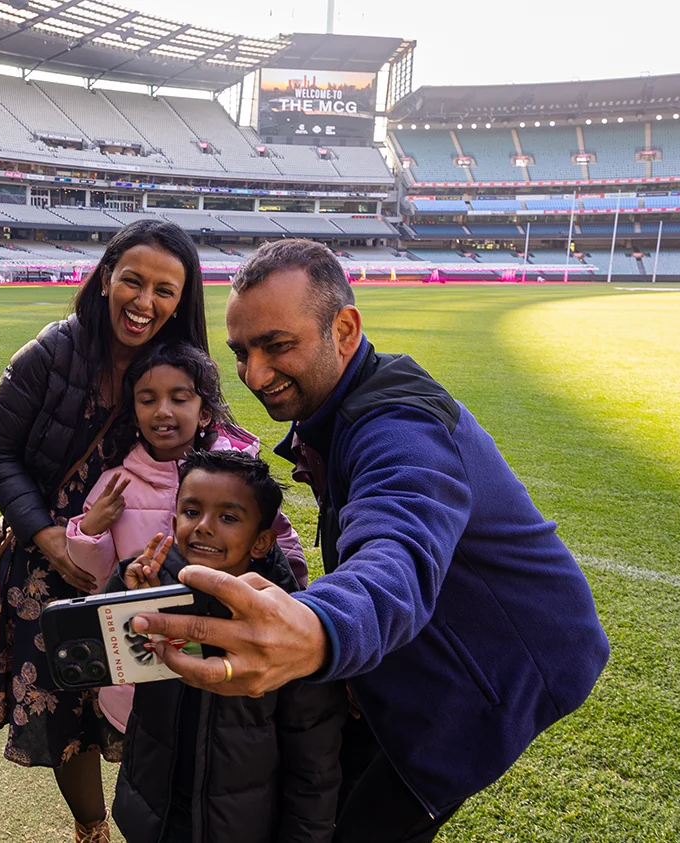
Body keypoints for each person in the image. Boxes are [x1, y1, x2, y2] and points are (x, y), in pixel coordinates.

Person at [133, 238, 610, 842]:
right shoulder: (338, 404)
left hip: (493, 671)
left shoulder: (398, 427)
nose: (254, 374)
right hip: (421, 645)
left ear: (346, 329)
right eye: (242, 352)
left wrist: (319, 628)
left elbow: (397, 547)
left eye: (277, 346)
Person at [0, 218, 208, 843]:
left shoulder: (178, 363)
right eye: (132, 281)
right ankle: (91, 829)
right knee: (65, 699)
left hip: (142, 560)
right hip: (48, 559)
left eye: (165, 290)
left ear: (182, 301)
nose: (144, 301)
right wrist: (46, 537)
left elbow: (210, 445)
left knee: (146, 691)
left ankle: (145, 818)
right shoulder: (50, 352)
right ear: (106, 278)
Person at [63, 342, 306, 733]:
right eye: (148, 400)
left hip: (227, 663)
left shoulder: (238, 476)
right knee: (151, 758)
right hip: (147, 667)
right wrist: (90, 530)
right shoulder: (116, 483)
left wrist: (294, 595)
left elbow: (278, 543)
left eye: (179, 398)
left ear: (204, 411)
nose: (163, 411)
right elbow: (98, 579)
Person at [109, 450, 345, 843]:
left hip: (236, 825)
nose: (203, 527)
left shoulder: (289, 628)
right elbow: (110, 651)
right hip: (153, 807)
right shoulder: (155, 586)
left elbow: (314, 764)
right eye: (191, 512)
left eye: (229, 517)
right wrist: (123, 591)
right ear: (173, 521)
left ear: (261, 542)